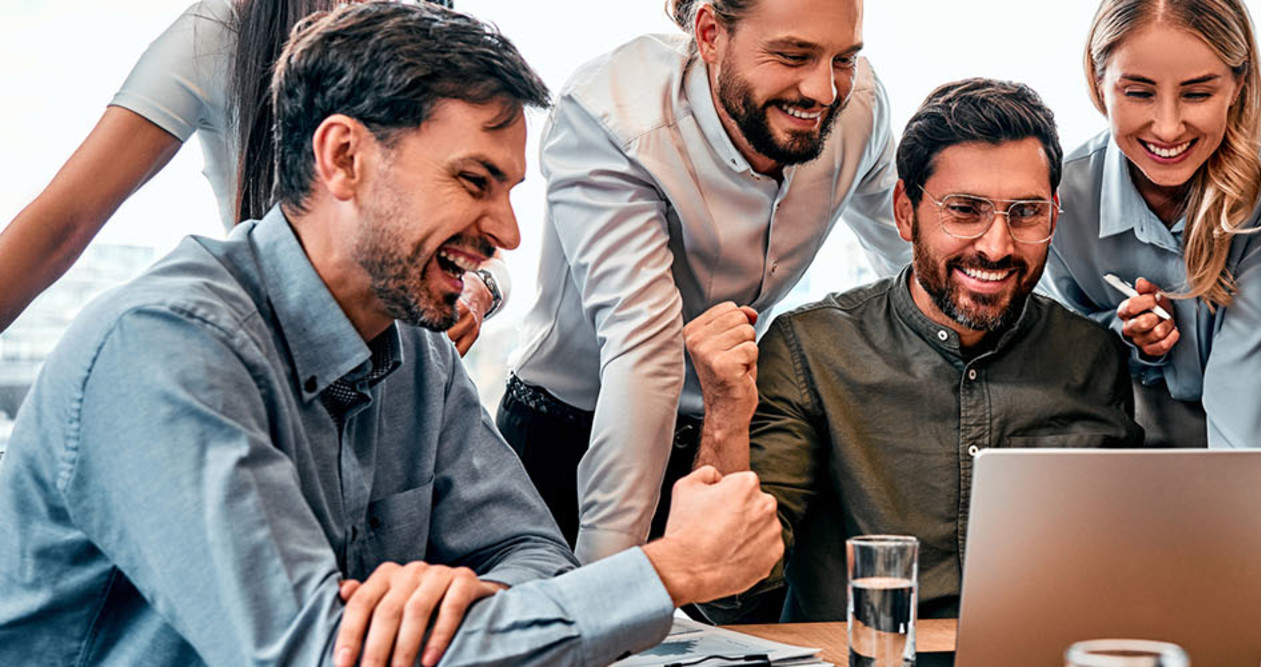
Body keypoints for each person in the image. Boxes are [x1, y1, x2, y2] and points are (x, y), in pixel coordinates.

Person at [0, 4, 782, 665]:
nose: (507, 232)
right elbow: (312, 650)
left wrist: (472, 595)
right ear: (343, 158)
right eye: (475, 182)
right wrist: (666, 568)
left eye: (510, 192)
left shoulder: (419, 358)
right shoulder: (164, 350)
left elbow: (534, 553)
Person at [690, 78, 1145, 623]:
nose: (997, 246)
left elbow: (1119, 576)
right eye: (965, 210)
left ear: (1052, 212)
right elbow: (730, 596)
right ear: (905, 212)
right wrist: (723, 413)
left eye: (1025, 213)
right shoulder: (810, 350)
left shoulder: (1094, 357)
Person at [501, 0, 910, 562]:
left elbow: (911, 262)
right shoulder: (613, 116)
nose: (822, 91)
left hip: (722, 424)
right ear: (711, 34)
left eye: (843, 58)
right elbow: (644, 352)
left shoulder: (857, 103)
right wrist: (607, 591)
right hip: (572, 430)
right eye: (792, 55)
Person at [0, 0, 503, 354]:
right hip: (281, 357)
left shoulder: (433, 27)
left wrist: (481, 286)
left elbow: (486, 229)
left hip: (408, 373)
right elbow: (61, 225)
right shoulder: (221, 31)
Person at [1041, 0, 1261, 449]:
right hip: (1131, 469)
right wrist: (1127, 337)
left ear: (1238, 84)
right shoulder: (1063, 199)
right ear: (1098, 84)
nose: (1168, 129)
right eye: (1138, 92)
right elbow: (1062, 372)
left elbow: (1254, 381)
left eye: (1197, 94)